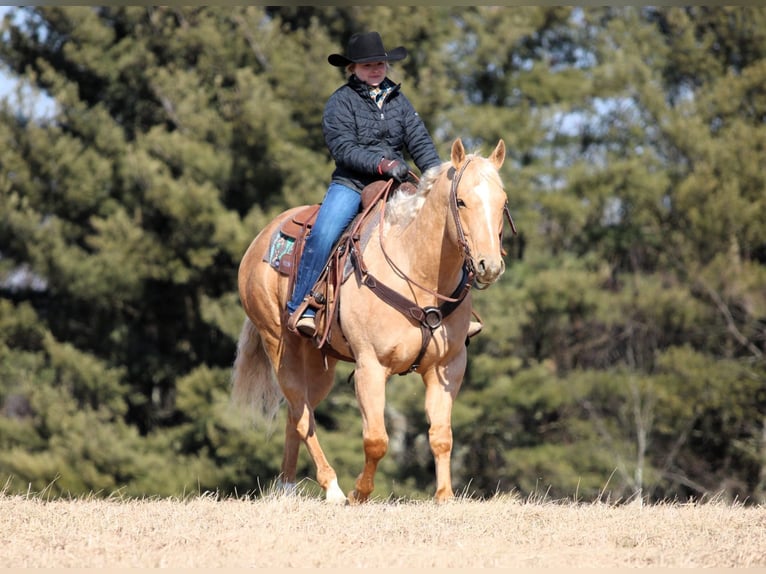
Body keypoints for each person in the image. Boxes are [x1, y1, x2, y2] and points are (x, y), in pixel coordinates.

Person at [287, 31, 482, 340]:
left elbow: (420, 144)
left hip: (397, 184)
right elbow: (343, 148)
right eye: (367, 65)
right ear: (352, 68)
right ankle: (302, 305)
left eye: (379, 64)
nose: (375, 70)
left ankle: (458, 310)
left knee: (445, 227)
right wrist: (382, 164)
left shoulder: (399, 102)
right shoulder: (340, 102)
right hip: (351, 183)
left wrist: (438, 179)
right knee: (324, 232)